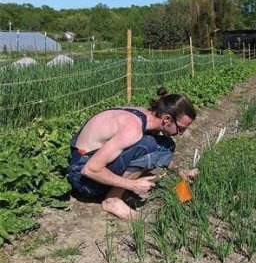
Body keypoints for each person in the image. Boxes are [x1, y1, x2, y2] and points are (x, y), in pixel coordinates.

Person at [67, 87, 198, 219]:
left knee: (165, 145)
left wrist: (179, 171)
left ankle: (119, 190)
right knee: (148, 145)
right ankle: (113, 200)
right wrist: (133, 185)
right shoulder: (132, 129)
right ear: (167, 119)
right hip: (83, 179)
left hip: (85, 159)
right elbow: (90, 170)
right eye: (181, 129)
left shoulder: (144, 116)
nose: (181, 134)